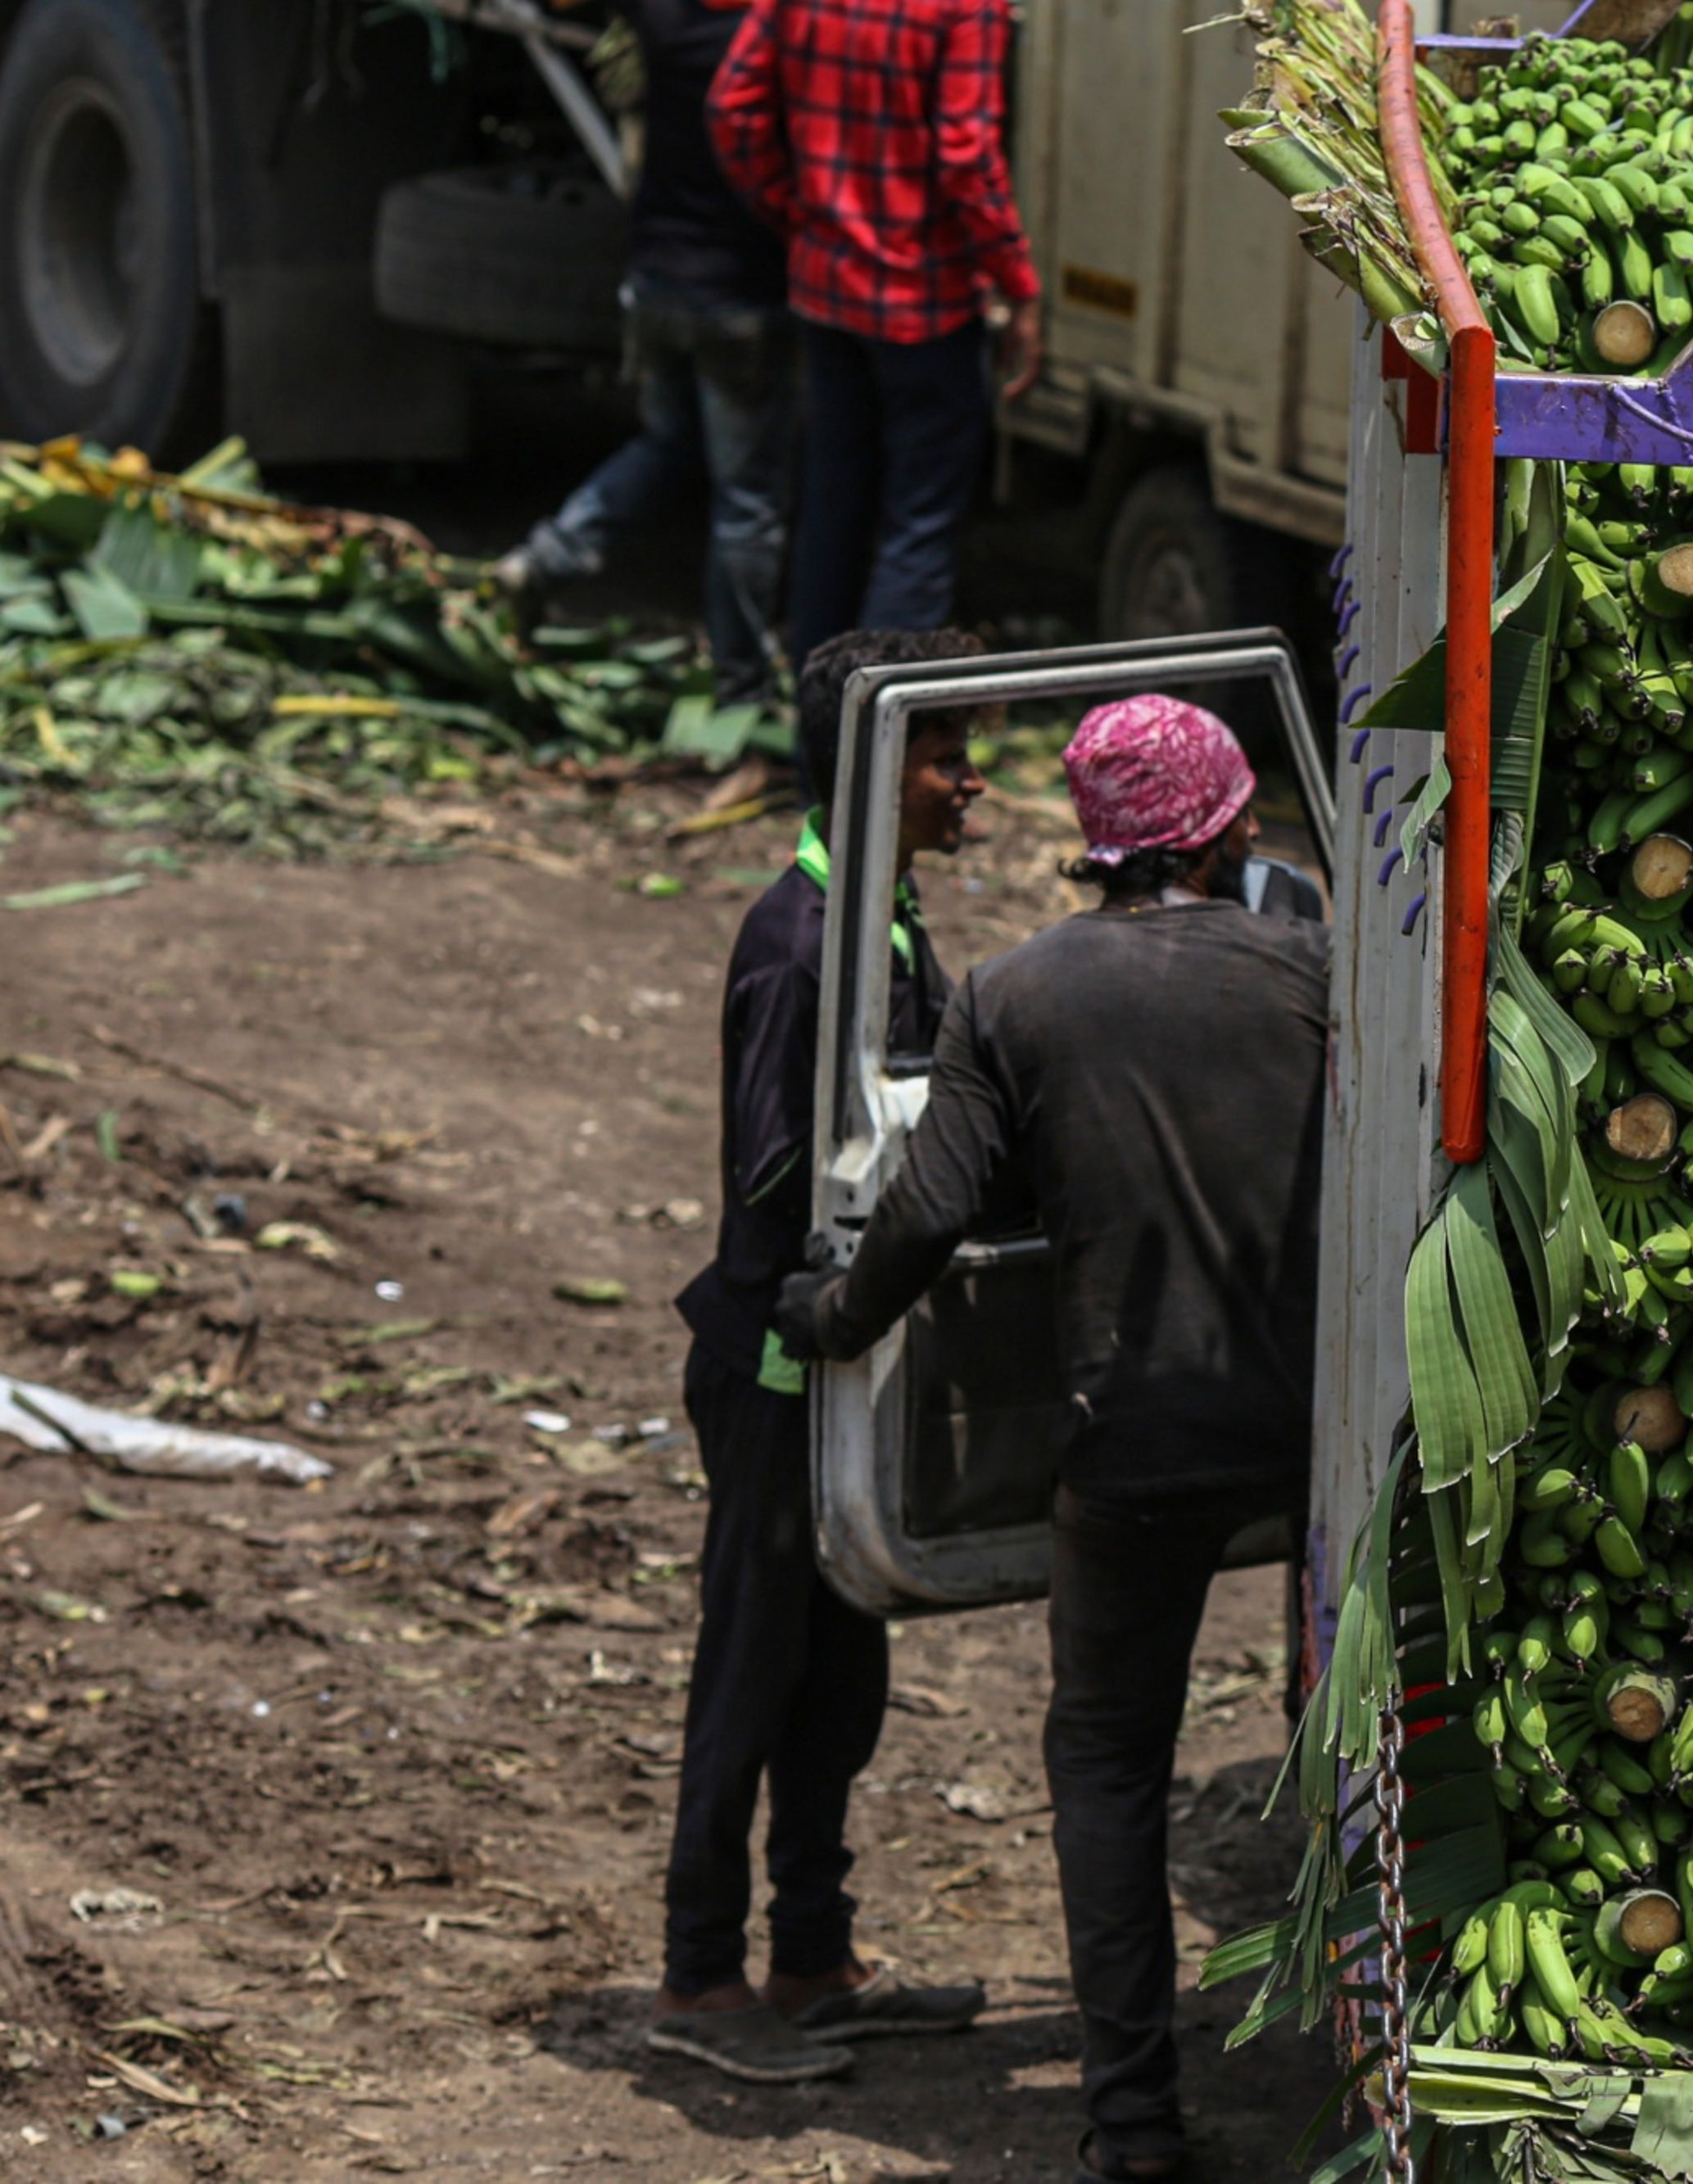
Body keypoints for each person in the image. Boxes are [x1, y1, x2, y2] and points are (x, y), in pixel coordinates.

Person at [775, 695, 1329, 2180]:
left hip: (1132, 1446)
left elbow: (929, 1211)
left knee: (1107, 1759)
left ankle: (1133, 2117)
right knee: (1350, 1719)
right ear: (1230, 826)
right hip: (1319, 1436)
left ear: (1095, 840)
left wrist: (829, 1315)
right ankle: (1373, 2049)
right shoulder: (1316, 968)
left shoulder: (1014, 994)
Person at [653, 627, 995, 2084]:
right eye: (944, 755)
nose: (970, 782)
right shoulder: (801, 943)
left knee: (838, 1677)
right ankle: (700, 1974)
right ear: (872, 768)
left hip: (837, 1373)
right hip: (778, 1377)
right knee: (751, 1668)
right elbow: (775, 1168)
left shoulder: (877, 919)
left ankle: (812, 1951)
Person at [708, 0, 1043, 667]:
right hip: (928, 303)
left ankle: (820, 722)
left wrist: (796, 214)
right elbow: (966, 155)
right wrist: (1018, 282)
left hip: (828, 292)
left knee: (831, 512)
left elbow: (732, 108)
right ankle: (884, 722)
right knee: (916, 532)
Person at [494, 0, 794, 716]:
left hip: (656, 281)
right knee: (748, 501)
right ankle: (742, 684)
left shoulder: (666, 19)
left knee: (668, 443)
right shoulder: (772, 33)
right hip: (738, 297)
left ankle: (545, 559)